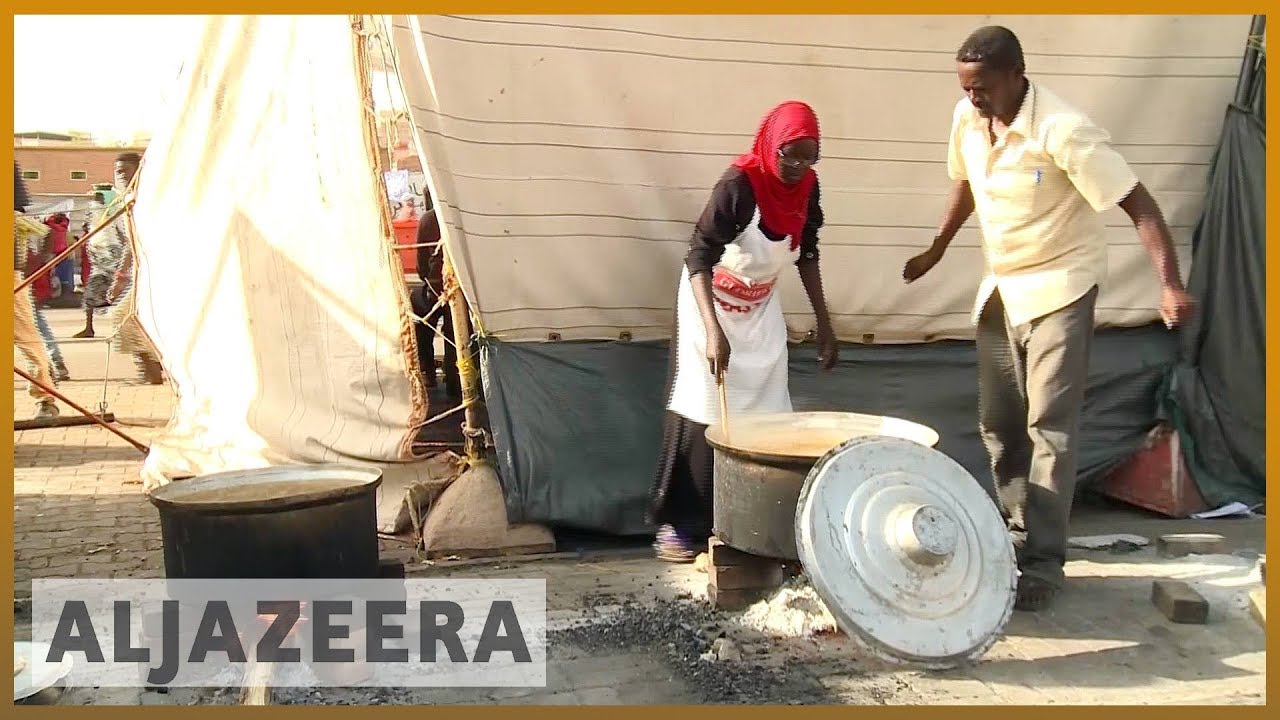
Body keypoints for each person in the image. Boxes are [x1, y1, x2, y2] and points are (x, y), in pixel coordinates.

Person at [902, 26, 1197, 611]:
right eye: (965, 87)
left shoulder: (1064, 131)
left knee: (1050, 428)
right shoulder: (967, 118)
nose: (972, 97)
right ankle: (1016, 534)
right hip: (1001, 288)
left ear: (1018, 75)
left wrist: (1168, 283)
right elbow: (964, 180)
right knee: (1001, 424)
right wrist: (937, 247)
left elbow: (1138, 203)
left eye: (982, 87)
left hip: (1062, 284)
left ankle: (1044, 560)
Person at [649, 100, 837, 562]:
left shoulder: (807, 188)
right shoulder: (738, 185)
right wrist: (713, 332)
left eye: (808, 156)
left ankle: (754, 524)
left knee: (767, 415)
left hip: (758, 309)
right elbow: (698, 258)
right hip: (708, 304)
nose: (796, 166)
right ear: (771, 145)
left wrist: (826, 323)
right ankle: (683, 525)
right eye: (789, 154)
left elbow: (806, 253)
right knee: (703, 408)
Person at [99, 152, 165, 385]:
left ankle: (153, 368)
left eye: (124, 172)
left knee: (125, 317)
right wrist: (120, 277)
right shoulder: (129, 202)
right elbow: (131, 244)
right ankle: (150, 369)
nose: (120, 177)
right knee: (126, 317)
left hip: (163, 273)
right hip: (145, 274)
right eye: (117, 172)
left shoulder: (153, 201)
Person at [13, 162, 59, 420]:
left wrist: (41, 260)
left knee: (28, 340)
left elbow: (47, 233)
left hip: (10, 281)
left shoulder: (15, 218)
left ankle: (45, 398)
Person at [410, 205, 460, 398]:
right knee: (454, 330)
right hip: (459, 290)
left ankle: (427, 370)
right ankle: (454, 376)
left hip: (436, 289)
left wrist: (430, 281)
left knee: (417, 311)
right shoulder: (461, 214)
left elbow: (421, 266)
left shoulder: (429, 219)